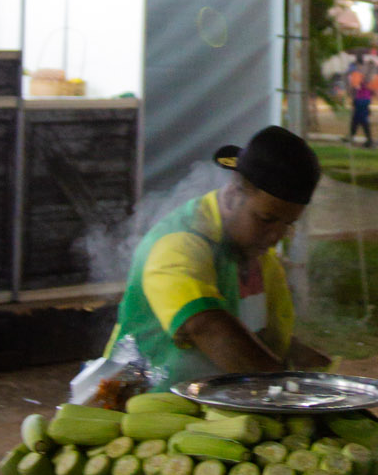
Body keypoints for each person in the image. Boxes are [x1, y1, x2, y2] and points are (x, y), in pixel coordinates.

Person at [108, 125, 331, 383]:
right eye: (266, 219)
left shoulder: (257, 253)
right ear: (234, 194)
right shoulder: (179, 244)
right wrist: (284, 389)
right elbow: (206, 327)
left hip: (212, 399)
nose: (275, 237)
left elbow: (265, 340)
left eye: (287, 224)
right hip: (143, 398)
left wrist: (317, 371)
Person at [346, 54, 378, 146]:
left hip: (362, 99)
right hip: (362, 99)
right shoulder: (366, 75)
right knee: (356, 119)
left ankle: (368, 140)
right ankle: (352, 138)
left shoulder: (366, 75)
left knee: (361, 120)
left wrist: (358, 83)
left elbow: (361, 86)